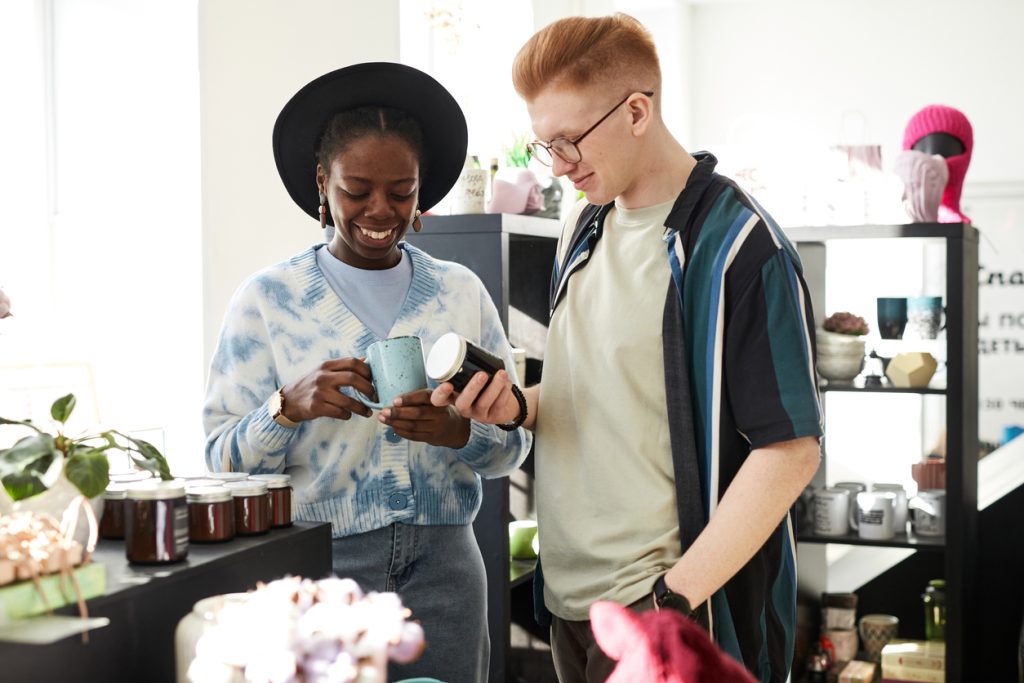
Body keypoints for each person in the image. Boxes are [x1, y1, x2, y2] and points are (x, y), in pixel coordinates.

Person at [431, 14, 822, 683]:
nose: (558, 165)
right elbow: (598, 385)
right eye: (544, 145)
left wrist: (669, 600)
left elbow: (789, 450)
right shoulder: (580, 224)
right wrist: (517, 405)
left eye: (569, 141)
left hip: (670, 614)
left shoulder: (739, 246)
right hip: (568, 606)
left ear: (638, 110)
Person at [203, 62, 532, 682]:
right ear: (322, 183)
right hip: (319, 575)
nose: (381, 211)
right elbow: (221, 462)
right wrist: (284, 408)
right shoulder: (267, 300)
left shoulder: (461, 294)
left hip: (447, 571)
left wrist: (458, 433)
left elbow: (514, 444)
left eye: (402, 191)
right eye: (357, 190)